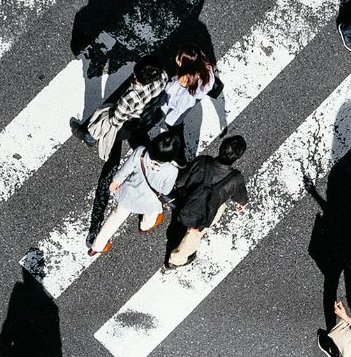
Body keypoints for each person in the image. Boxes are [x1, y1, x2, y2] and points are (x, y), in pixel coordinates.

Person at [89, 131, 181, 255]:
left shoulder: (141, 152)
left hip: (129, 195)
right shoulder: (172, 170)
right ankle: (144, 227)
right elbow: (165, 191)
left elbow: (124, 171)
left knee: (115, 218)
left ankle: (97, 246)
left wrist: (115, 183)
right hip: (150, 202)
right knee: (152, 215)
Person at [164, 134, 248, 269]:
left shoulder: (202, 161)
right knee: (193, 236)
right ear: (237, 158)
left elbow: (180, 182)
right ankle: (176, 260)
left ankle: (178, 250)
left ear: (220, 147)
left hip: (186, 203)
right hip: (205, 216)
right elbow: (241, 198)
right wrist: (242, 204)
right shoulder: (235, 178)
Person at [74, 60, 168, 161]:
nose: (134, 76)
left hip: (127, 121)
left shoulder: (129, 98)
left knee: (103, 120)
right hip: (145, 116)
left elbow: (115, 121)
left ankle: (90, 138)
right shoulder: (163, 76)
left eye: (136, 75)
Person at [159, 46, 226, 155]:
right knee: (178, 129)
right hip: (187, 106)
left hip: (174, 115)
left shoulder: (177, 87)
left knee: (175, 132)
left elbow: (169, 102)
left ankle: (180, 155)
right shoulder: (208, 72)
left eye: (179, 58)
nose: (176, 57)